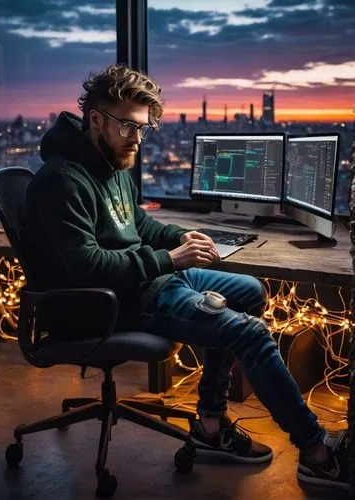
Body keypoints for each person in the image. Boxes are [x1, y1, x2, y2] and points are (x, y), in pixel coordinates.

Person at [21, 64, 348, 489]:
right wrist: (171, 260)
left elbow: (137, 225)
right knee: (249, 333)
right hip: (112, 304)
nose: (137, 138)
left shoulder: (108, 163)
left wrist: (180, 236)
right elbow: (88, 266)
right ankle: (317, 452)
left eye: (144, 128)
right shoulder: (63, 181)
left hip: (145, 284)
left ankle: (210, 426)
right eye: (127, 127)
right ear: (96, 120)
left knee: (249, 291)